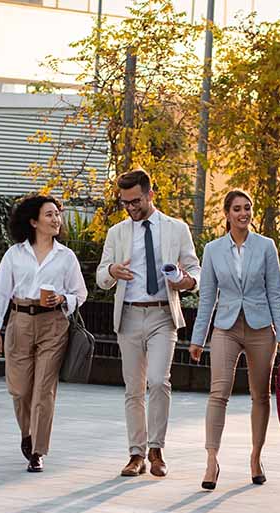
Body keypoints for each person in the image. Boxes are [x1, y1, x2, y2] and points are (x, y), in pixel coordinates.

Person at [97, 168, 201, 478]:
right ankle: (136, 454)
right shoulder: (117, 233)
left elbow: (196, 271)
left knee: (158, 380)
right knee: (133, 389)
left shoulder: (175, 229)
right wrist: (113, 271)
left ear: (150, 194)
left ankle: (157, 450)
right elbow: (101, 276)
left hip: (161, 314)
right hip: (128, 315)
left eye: (136, 201)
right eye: (125, 203)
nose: (130, 208)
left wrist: (185, 281)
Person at [188, 190, 280, 490]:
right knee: (218, 393)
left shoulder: (266, 247)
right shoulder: (213, 250)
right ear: (227, 213)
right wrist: (198, 339)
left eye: (247, 208)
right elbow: (208, 297)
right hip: (226, 327)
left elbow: (276, 293)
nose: (243, 213)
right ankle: (211, 461)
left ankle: (256, 457)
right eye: (237, 209)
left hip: (261, 329)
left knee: (260, 395)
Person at [0, 194, 87, 473]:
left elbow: (80, 292)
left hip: (53, 325)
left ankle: (38, 450)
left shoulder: (66, 257)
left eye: (58, 214)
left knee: (44, 389)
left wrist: (63, 299)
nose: (56, 219)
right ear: (33, 221)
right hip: (19, 322)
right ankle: (27, 434)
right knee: (19, 390)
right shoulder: (15, 254)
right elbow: (1, 292)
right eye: (49, 215)